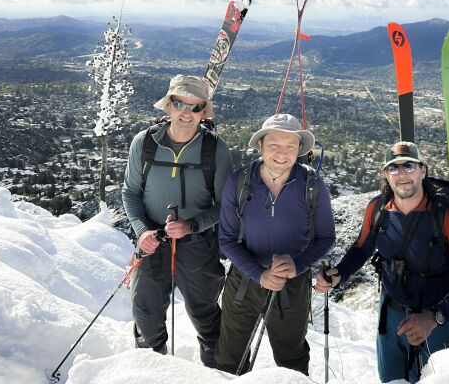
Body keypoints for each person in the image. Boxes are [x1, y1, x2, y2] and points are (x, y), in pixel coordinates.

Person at [316, 141, 449, 384]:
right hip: (390, 317)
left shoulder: (446, 217)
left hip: (435, 321)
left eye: (409, 166)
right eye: (394, 168)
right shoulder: (378, 209)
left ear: (423, 170)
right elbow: (362, 249)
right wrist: (339, 274)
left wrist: (433, 318)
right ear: (385, 175)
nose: (402, 175)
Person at [121, 74, 232, 367]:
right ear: (168, 106)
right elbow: (130, 193)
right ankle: (151, 369)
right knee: (145, 313)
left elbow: (225, 205)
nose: (187, 112)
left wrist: (192, 225)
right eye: (181, 104)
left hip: (198, 243)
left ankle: (217, 371)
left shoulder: (215, 150)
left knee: (205, 313)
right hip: (153, 241)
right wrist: (142, 231)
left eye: (196, 107)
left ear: (203, 113)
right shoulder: (143, 144)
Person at [215, 113, 335, 375]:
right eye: (274, 146)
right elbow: (226, 239)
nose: (282, 154)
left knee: (292, 362)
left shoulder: (312, 184)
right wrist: (259, 274)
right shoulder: (239, 182)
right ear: (260, 145)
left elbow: (326, 237)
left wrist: (298, 265)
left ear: (299, 150)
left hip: (292, 284)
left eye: (290, 147)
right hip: (245, 280)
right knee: (229, 361)